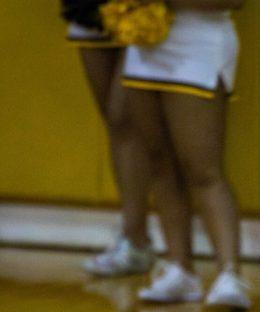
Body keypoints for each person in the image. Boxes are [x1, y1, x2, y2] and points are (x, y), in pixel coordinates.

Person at [122, 0, 250, 310]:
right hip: (145, 41)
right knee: (159, 162)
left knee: (203, 169)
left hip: (199, 42)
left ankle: (229, 274)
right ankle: (179, 267)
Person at [62, 0, 192, 277]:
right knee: (116, 123)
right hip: (89, 10)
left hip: (144, 9)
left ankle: (139, 238)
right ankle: (135, 238)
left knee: (125, 116)